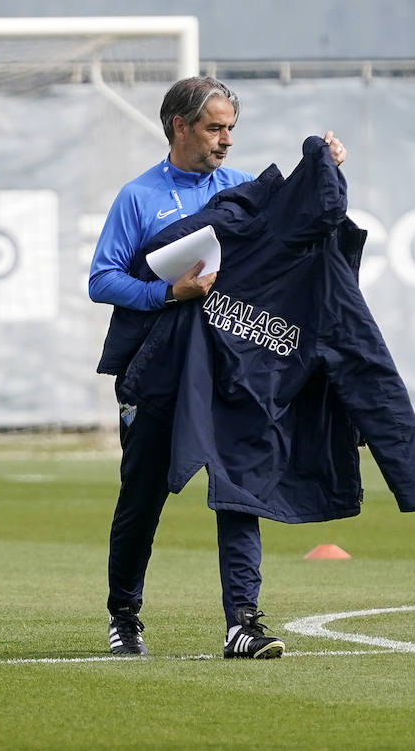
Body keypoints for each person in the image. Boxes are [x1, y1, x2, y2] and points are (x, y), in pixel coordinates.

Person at [88, 76, 347, 660]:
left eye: (231, 128)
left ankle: (242, 622)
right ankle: (124, 615)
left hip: (229, 370)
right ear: (179, 127)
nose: (226, 139)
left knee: (239, 490)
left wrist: (324, 168)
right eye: (214, 127)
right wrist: (168, 294)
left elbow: (297, 228)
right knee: (142, 496)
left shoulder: (241, 188)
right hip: (158, 373)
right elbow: (101, 280)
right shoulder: (138, 197)